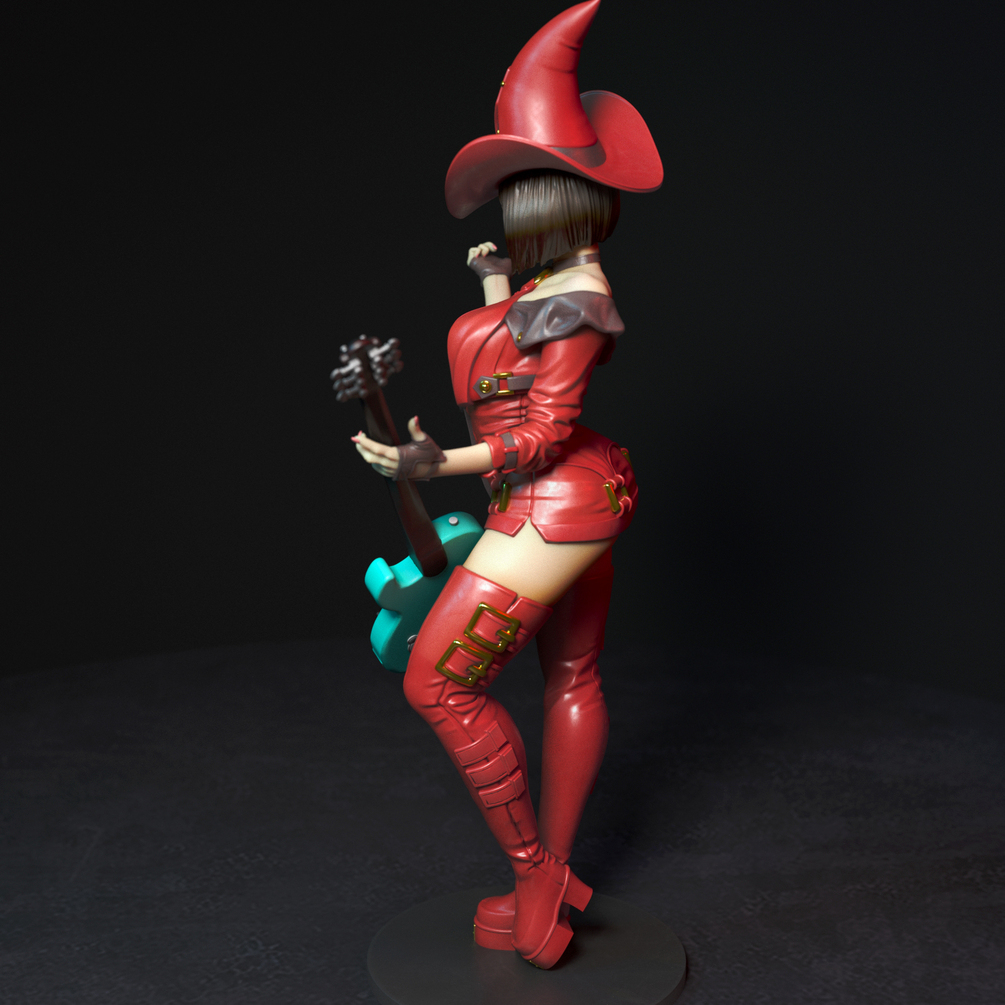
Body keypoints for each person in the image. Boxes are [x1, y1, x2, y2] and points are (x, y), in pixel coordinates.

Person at [351, 0, 662, 969]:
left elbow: (536, 433)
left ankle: (536, 871)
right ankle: (551, 875)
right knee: (572, 673)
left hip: (553, 501)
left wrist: (434, 465)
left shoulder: (580, 302)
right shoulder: (556, 285)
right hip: (574, 497)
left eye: (517, 191)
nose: (506, 212)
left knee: (438, 678)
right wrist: (495, 285)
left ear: (547, 198)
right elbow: (511, 378)